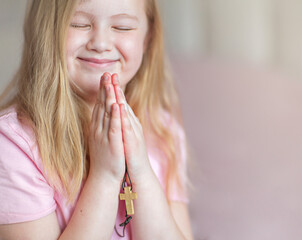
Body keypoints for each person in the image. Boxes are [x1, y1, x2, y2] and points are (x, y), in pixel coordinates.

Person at [0, 0, 193, 239]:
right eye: (78, 24)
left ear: (148, 37)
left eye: (122, 27)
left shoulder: (162, 129)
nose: (100, 44)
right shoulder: (15, 144)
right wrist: (105, 178)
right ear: (45, 31)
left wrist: (141, 173)